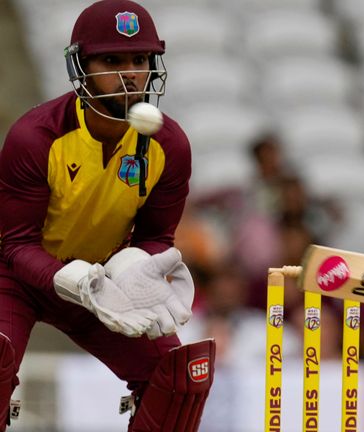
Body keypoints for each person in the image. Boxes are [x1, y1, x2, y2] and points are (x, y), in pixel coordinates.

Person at [0, 1, 214, 430]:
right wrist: (74, 278)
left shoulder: (169, 146)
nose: (129, 73)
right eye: (111, 60)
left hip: (100, 282)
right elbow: (15, 244)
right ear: (81, 66)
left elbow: (156, 236)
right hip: (17, 277)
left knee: (180, 374)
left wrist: (137, 268)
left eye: (139, 59)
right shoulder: (36, 136)